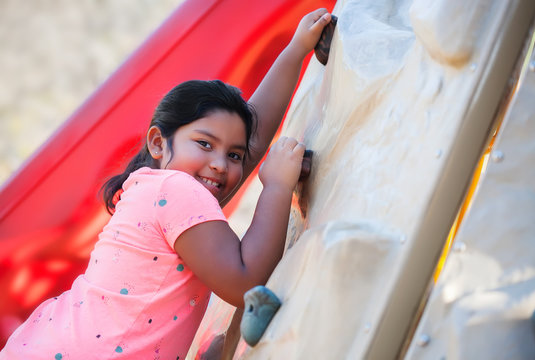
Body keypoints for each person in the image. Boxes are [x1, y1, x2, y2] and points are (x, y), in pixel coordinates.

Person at [0, 8, 331, 359]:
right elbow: (245, 282)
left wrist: (296, 50)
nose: (220, 164)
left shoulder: (156, 189)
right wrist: (277, 186)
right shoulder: (175, 189)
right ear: (158, 143)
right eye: (205, 144)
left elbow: (253, 142)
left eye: (233, 155)